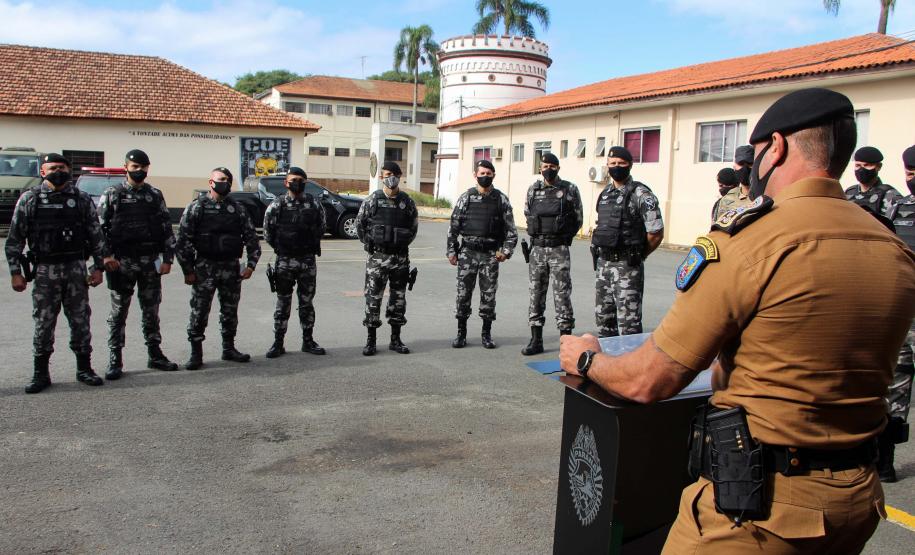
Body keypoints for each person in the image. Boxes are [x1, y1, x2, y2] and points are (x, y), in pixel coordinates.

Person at [559, 88, 915, 553]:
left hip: (758, 513)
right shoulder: (892, 248)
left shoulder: (749, 243)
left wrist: (588, 359)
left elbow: (650, 380)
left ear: (776, 148)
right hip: (856, 503)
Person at [5, 153, 108, 392]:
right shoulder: (29, 200)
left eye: (62, 167)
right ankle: (41, 374)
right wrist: (15, 272)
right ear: (43, 172)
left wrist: (98, 267)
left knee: (81, 321)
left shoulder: (81, 199)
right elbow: (14, 240)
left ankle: (84, 369)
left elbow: (96, 236)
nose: (57, 171)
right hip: (44, 271)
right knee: (44, 322)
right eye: (52, 168)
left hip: (75, 269)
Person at [98, 149, 179, 380]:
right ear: (126, 167)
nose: (139, 171)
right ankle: (115, 358)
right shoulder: (113, 193)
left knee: (151, 310)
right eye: (135, 167)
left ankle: (154, 354)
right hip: (122, 262)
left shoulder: (154, 195)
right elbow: (100, 229)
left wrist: (167, 259)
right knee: (119, 312)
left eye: (143, 167)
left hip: (149, 262)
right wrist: (106, 257)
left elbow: (165, 228)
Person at [175, 167, 261, 370]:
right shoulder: (197, 207)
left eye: (227, 180)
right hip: (205, 267)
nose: (224, 183)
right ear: (210, 182)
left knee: (230, 311)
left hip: (231, 267)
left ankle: (228, 348)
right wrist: (187, 269)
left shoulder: (237, 208)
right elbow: (183, 240)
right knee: (200, 310)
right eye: (220, 179)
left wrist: (251, 264)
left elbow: (251, 237)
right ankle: (196, 353)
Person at [592, 146, 664, 337]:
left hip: (627, 266)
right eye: (612, 163)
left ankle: (630, 365)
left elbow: (656, 232)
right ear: (607, 166)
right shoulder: (605, 193)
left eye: (621, 163)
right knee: (604, 319)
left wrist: (640, 254)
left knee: (629, 323)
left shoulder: (641, 194)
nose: (616, 167)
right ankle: (607, 364)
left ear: (630, 165)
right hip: (603, 265)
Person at [446, 159, 518, 349]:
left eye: (488, 173)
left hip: (489, 255)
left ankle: (486, 334)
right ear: (475, 175)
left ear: (493, 175)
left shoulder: (501, 200)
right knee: (463, 295)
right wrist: (452, 251)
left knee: (488, 296)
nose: (485, 176)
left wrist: (506, 252)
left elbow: (511, 231)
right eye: (482, 173)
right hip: (468, 253)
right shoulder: (466, 198)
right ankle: (461, 334)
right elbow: (453, 227)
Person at [522, 152, 583, 355]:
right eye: (545, 165)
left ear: (558, 168)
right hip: (537, 249)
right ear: (540, 167)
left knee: (562, 295)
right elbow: (527, 214)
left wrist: (563, 238)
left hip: (559, 249)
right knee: (535, 294)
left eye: (552, 166)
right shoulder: (533, 190)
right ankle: (535, 340)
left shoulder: (569, 189)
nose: (548, 169)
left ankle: (566, 343)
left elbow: (578, 218)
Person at [262, 167, 327, 359]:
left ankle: (308, 341)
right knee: (283, 303)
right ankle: (278, 343)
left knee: (306, 303)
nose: (296, 182)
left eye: (300, 179)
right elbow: (268, 233)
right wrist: (285, 247)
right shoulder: (277, 205)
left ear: (305, 182)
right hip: (285, 261)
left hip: (307, 260)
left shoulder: (314, 205)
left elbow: (321, 228)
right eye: (293, 179)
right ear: (286, 183)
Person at [356, 161, 418, 356]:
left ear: (399, 176)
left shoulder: (407, 202)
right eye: (385, 174)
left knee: (398, 299)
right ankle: (371, 340)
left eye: (393, 174)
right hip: (378, 258)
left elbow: (413, 228)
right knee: (373, 298)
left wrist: (400, 242)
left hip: (400, 258)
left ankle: (395, 339)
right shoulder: (372, 200)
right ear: (381, 177)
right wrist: (371, 244)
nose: (389, 177)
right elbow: (360, 225)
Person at [879, 144, 915, 482]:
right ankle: (886, 458)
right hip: (903, 304)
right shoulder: (899, 206)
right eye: (909, 173)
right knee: (898, 377)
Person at [845, 146, 903, 216]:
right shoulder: (848, 193)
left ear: (879, 166)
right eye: (858, 165)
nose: (861, 169)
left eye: (866, 165)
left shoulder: (890, 195)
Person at [713, 145, 755, 220]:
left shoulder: (764, 196)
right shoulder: (726, 200)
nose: (745, 168)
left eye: (749, 164)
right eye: (741, 164)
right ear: (734, 167)